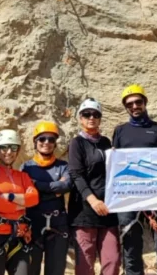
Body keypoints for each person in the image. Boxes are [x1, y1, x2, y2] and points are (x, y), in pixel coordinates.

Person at [113, 84, 157, 275]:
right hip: (129, 195)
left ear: (145, 102)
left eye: (138, 102)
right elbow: (116, 164)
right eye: (129, 104)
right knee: (130, 244)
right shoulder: (120, 131)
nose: (134, 106)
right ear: (126, 107)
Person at [68, 98, 121, 275]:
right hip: (85, 212)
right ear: (80, 118)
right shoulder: (77, 143)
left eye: (95, 114)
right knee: (85, 265)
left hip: (108, 210)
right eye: (87, 114)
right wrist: (93, 201)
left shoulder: (106, 142)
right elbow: (76, 175)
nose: (91, 117)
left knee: (113, 260)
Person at [0, 129, 39, 275]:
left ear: (18, 150)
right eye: (4, 147)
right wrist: (21, 204)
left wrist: (9, 197)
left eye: (13, 147)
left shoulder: (23, 176)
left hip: (18, 238)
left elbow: (34, 198)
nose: (9, 152)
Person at [20, 121, 72, 275]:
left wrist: (36, 184)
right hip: (32, 224)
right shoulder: (26, 167)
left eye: (51, 139)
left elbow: (65, 186)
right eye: (42, 139)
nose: (46, 142)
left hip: (58, 224)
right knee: (31, 270)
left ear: (55, 143)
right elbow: (25, 192)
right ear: (35, 142)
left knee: (56, 271)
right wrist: (54, 190)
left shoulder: (63, 166)